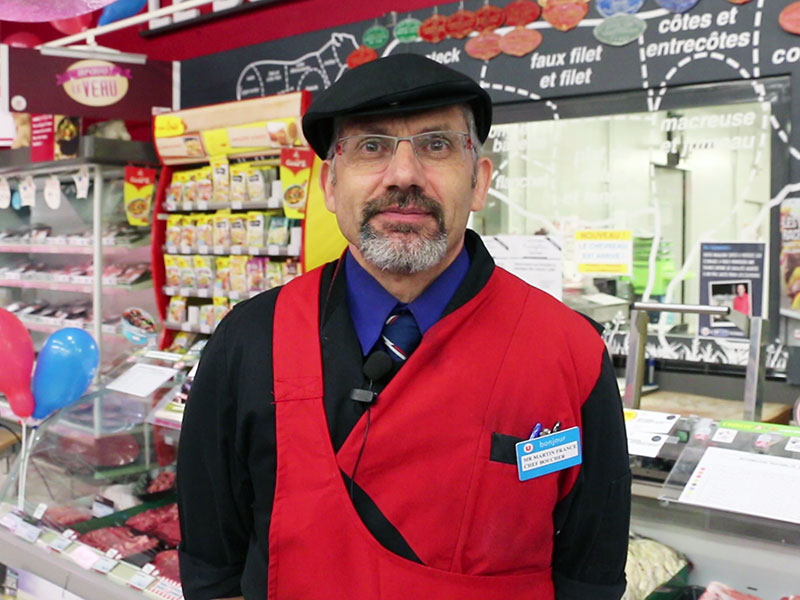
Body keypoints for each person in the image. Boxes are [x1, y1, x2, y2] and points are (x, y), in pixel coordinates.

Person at [177, 54, 631, 600]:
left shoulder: (569, 351)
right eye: (371, 147)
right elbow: (211, 565)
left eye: (437, 145)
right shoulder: (248, 339)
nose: (404, 175)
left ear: (479, 181)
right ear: (328, 184)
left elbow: (592, 575)